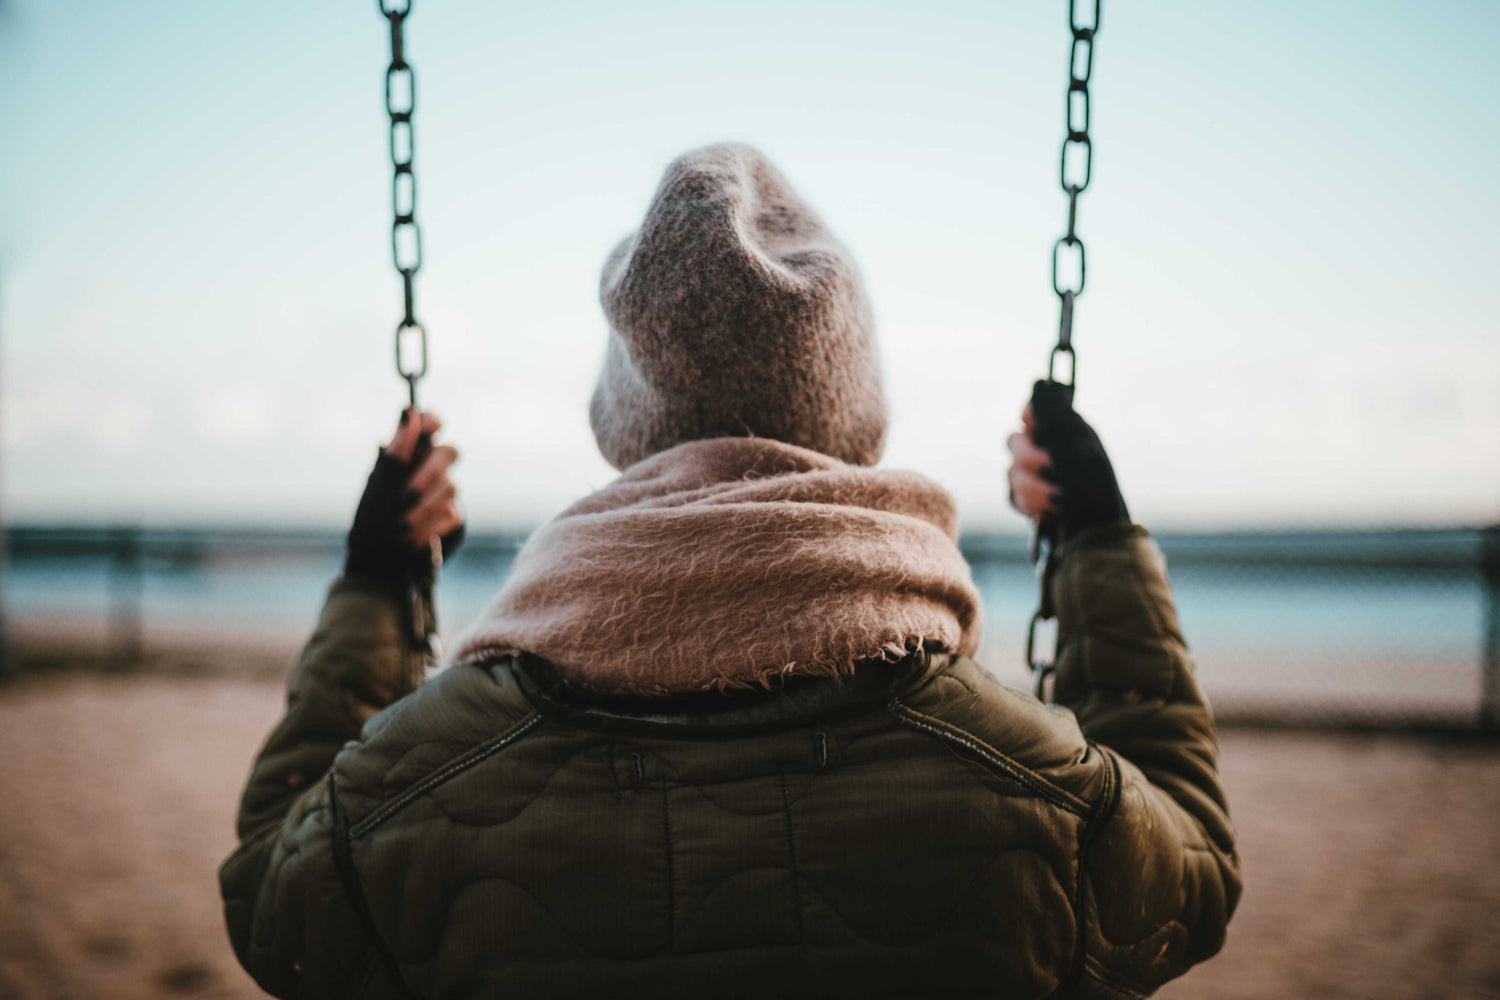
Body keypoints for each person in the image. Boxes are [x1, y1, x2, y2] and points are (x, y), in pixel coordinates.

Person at [220, 144, 1240, 998]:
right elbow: (1191, 860)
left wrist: (376, 585)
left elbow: (275, 893)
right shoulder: (1033, 791)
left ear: (629, 424)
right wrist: (1099, 542)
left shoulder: (423, 784)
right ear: (854, 416)